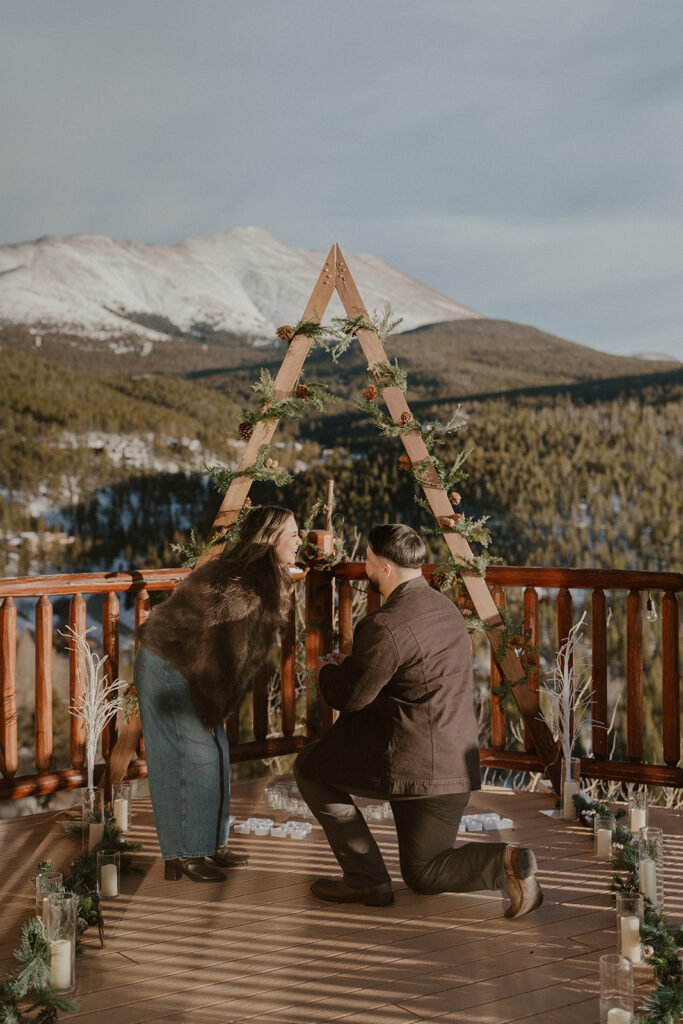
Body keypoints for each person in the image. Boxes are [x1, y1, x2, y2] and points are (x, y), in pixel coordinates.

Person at [294, 523, 542, 917]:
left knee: (310, 766)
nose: (366, 567)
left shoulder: (386, 623)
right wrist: (355, 664)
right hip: (453, 767)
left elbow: (351, 697)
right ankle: (507, 864)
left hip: (413, 765)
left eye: (369, 560)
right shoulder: (445, 609)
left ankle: (366, 878)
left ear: (387, 569)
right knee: (424, 872)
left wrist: (327, 671)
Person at [135, 505, 301, 882]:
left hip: (189, 665)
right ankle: (185, 853)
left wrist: (217, 710)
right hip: (169, 665)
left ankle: (210, 844)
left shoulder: (263, 574)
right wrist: (213, 709)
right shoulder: (246, 584)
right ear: (271, 539)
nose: (299, 540)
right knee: (195, 757)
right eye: (292, 533)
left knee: (218, 752)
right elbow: (220, 655)